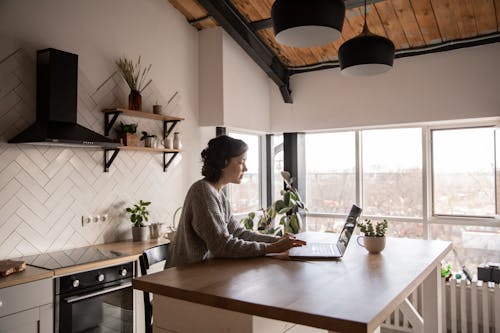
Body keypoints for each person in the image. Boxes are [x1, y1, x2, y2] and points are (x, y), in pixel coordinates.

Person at [167, 135, 306, 268]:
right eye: (241, 162)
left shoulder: (218, 194)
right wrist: (272, 248)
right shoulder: (203, 192)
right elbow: (221, 246)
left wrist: (278, 241)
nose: (245, 168)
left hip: (201, 271)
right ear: (223, 163)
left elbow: (238, 233)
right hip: (179, 280)